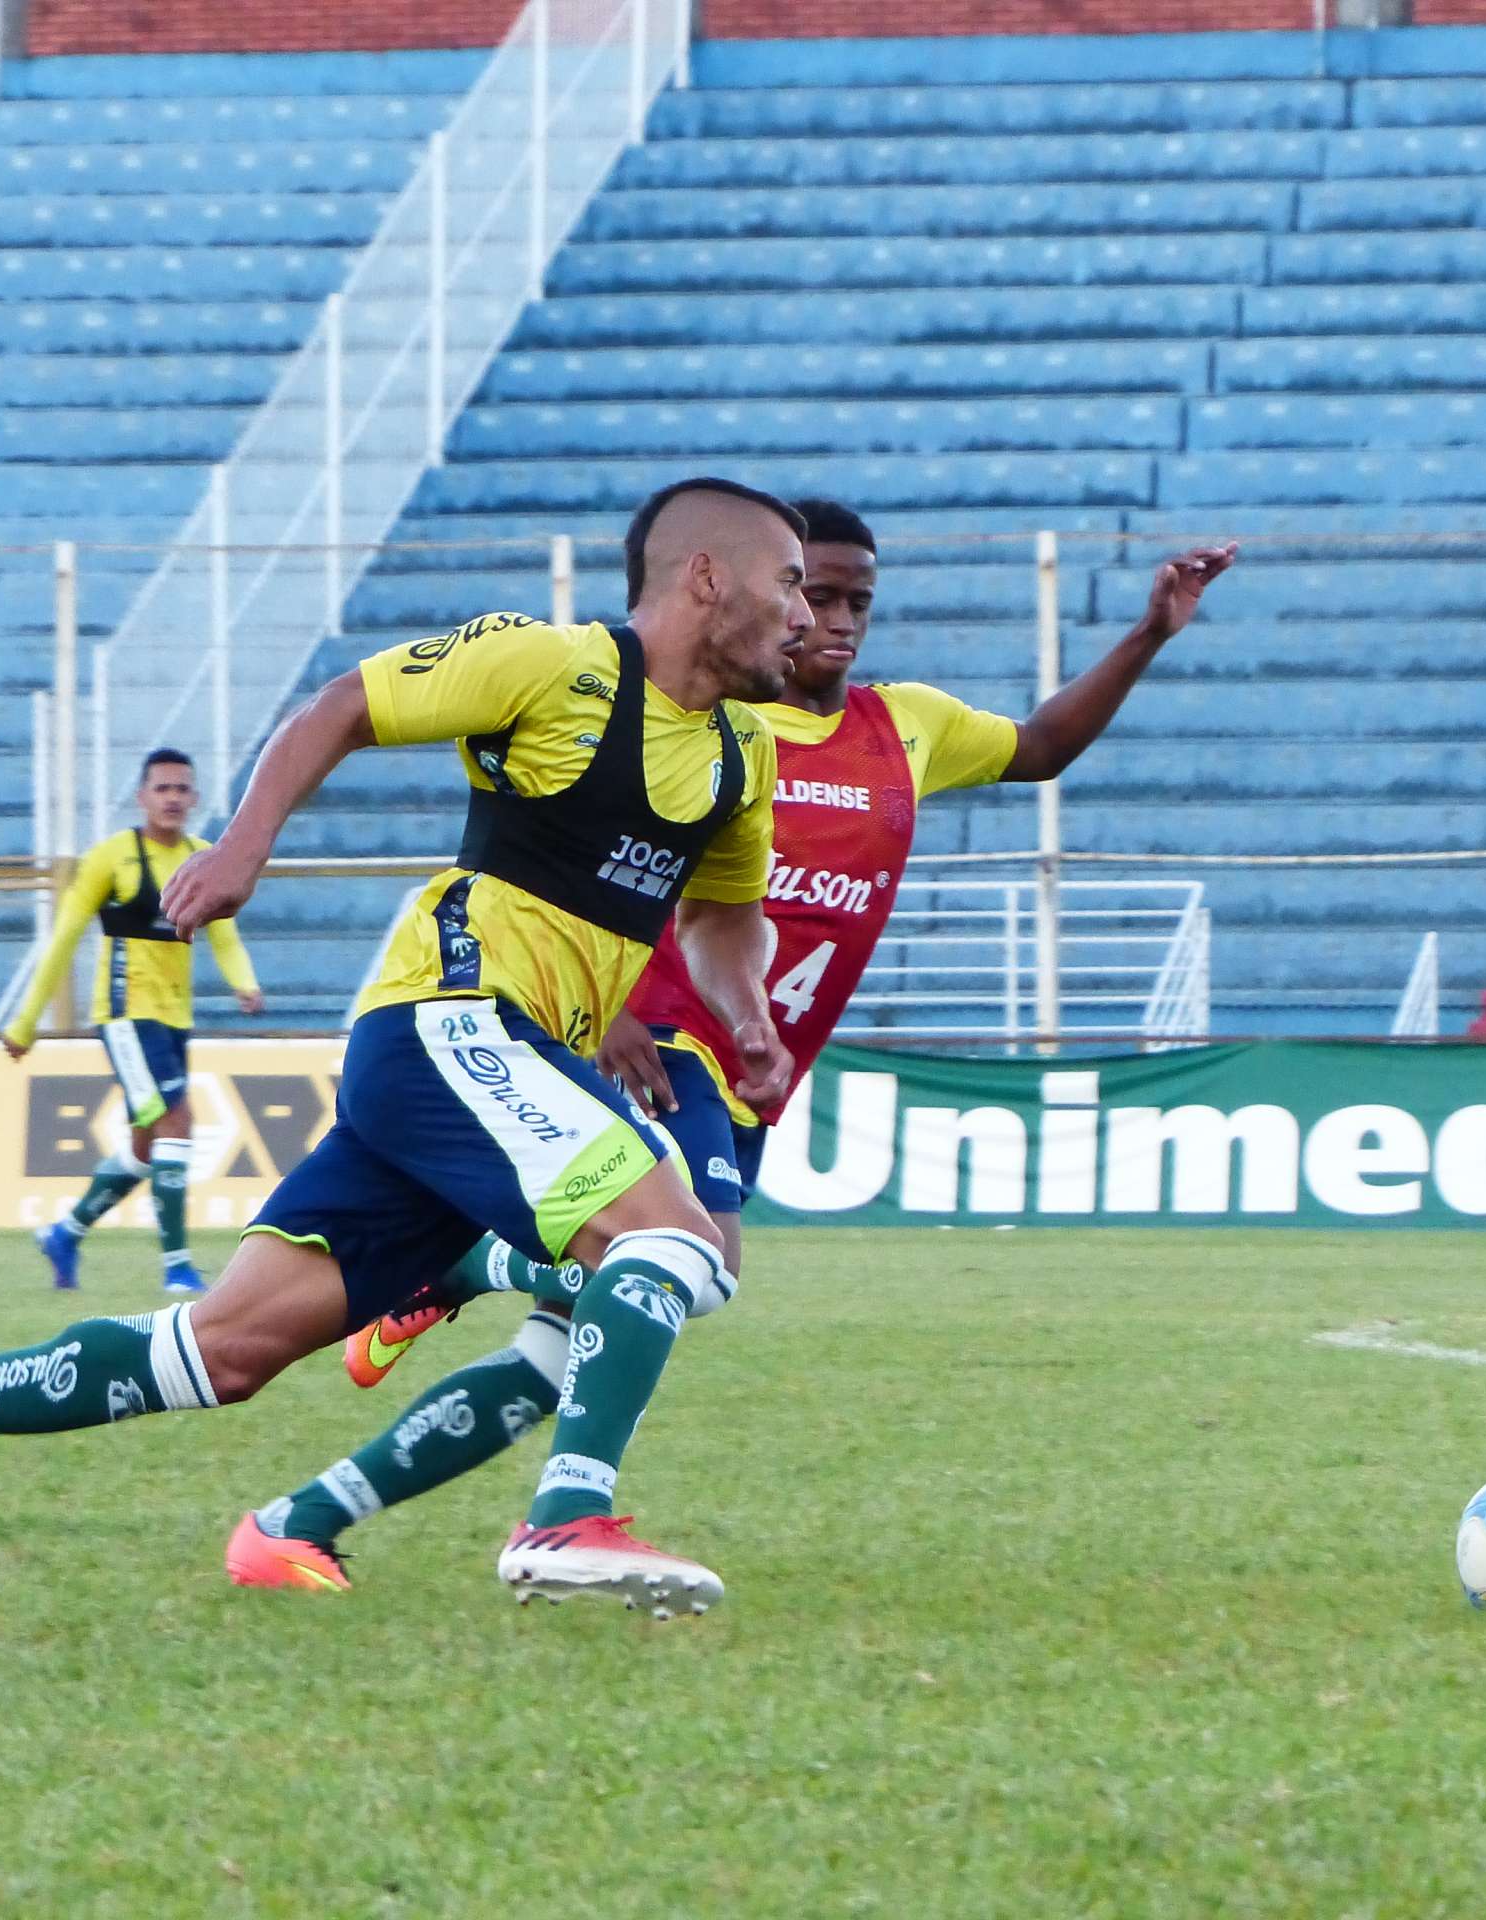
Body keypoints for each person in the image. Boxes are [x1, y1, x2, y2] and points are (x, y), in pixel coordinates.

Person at [0, 477, 808, 1621]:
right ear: (706, 578)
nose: (806, 616)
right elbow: (342, 708)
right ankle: (565, 1514)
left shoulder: (739, 759)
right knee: (676, 1241)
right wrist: (238, 852)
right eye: (791, 583)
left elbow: (720, 915)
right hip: (448, 1022)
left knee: (224, 1351)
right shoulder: (550, 663)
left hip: (480, 1071)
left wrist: (748, 1011)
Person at [264, 502, 1235, 1570]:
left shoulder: (902, 727)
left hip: (748, 1070)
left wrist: (1148, 632)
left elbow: (1040, 748)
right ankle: (465, 1286)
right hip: (660, 1048)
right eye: (812, 592)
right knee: (701, 1260)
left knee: (559, 1358)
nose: (834, 618)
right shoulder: (718, 715)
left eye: (858, 600)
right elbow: (587, 860)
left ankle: (303, 1521)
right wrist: (614, 1012)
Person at [5, 747, 265, 1295]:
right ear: (142, 796)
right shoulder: (111, 858)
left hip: (174, 1018)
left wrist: (244, 981)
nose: (172, 798)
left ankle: (65, 1233)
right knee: (177, 1121)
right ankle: (176, 1266)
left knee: (148, 1144)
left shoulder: (203, 859)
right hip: (125, 1016)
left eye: (182, 789)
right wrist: (26, 1022)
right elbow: (64, 939)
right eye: (162, 788)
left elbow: (224, 935)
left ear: (194, 799)